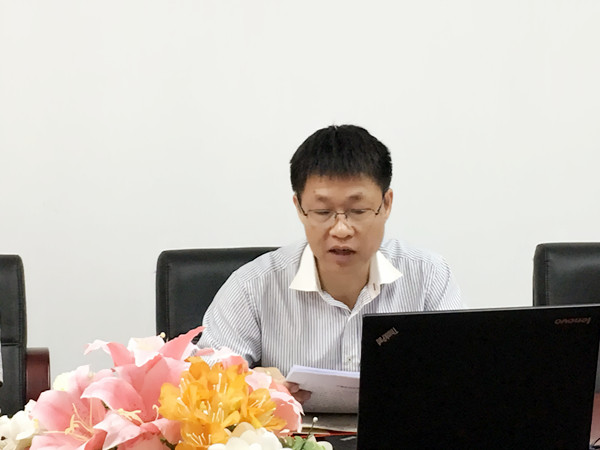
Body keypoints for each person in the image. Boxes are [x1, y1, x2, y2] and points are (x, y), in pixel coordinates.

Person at [198, 124, 462, 402]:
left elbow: (463, 373)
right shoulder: (252, 286)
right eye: (323, 211)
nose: (341, 230)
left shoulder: (428, 275)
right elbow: (202, 385)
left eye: (357, 210)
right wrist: (252, 384)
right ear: (300, 208)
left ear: (386, 204)